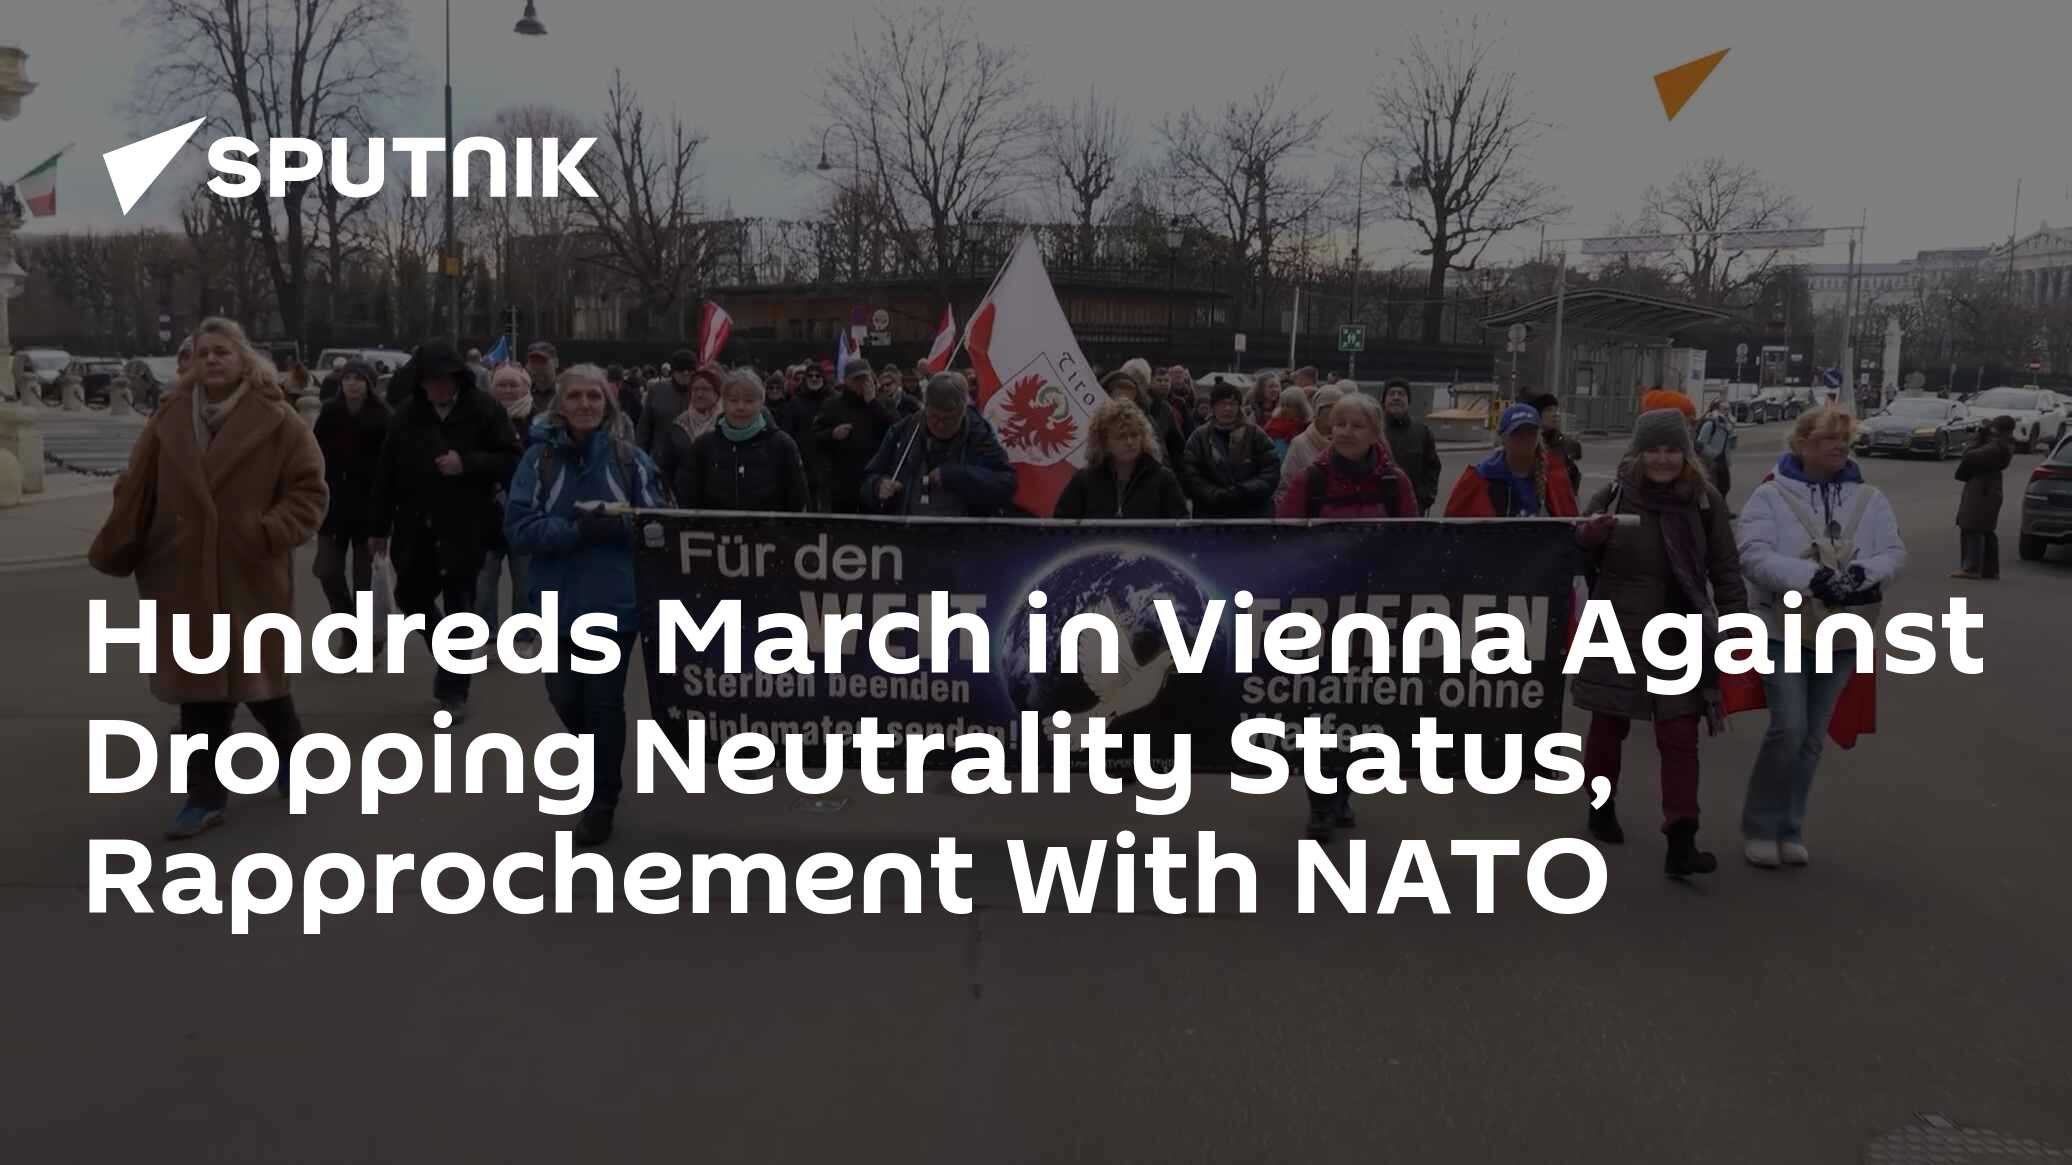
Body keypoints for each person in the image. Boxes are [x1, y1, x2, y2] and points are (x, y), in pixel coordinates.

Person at [88, 317, 328, 840]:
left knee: (264, 692)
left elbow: (310, 492)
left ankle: (292, 759)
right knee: (199, 698)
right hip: (181, 574)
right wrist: (139, 534)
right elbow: (137, 485)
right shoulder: (169, 417)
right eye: (203, 353)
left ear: (244, 359)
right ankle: (204, 798)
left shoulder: (279, 420)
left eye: (223, 351)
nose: (213, 360)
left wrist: (267, 531)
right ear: (192, 364)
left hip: (250, 574)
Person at [1571, 409, 1747, 877]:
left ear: (1686, 453)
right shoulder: (1613, 496)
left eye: (1672, 450)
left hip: (1679, 630)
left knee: (1679, 734)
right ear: (1638, 452)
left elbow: (1725, 567)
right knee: (1608, 726)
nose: (1663, 459)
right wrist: (1589, 537)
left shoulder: (1704, 500)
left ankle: (1681, 839)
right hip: (1615, 627)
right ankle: (1600, 806)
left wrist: (1734, 623)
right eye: (1653, 449)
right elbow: (1572, 549)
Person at [505, 364, 670, 846]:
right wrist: (576, 531)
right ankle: (600, 758)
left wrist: (622, 525)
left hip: (614, 602)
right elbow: (518, 528)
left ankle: (602, 801)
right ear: (560, 404)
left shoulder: (629, 459)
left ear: (607, 404)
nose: (584, 404)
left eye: (594, 397)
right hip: (555, 602)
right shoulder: (538, 460)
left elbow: (660, 522)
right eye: (575, 396)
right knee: (564, 697)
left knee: (603, 703)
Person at [1736, 405, 1905, 868]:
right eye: (1829, 439)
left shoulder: (1870, 498)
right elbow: (1752, 555)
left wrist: (1865, 574)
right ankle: (1760, 826)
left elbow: (1893, 551)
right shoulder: (1770, 496)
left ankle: (1790, 828)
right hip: (1781, 629)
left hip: (1844, 632)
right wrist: (1810, 578)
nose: (1839, 447)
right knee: (1788, 728)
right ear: (1802, 444)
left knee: (1812, 737)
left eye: (1844, 440)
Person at [369, 339, 521, 721]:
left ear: (458, 378)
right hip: (415, 526)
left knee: (459, 607)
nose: (438, 387)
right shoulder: (406, 414)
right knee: (410, 597)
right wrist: (378, 527)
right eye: (430, 380)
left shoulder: (484, 409)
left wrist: (466, 463)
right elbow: (385, 472)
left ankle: (454, 692)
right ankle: (450, 655)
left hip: (465, 525)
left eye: (445, 379)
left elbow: (510, 459)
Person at [863, 373, 1017, 516]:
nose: (940, 425)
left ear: (963, 412)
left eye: (949, 419)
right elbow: (868, 479)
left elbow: (1006, 483)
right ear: (925, 407)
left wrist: (958, 476)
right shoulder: (903, 431)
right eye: (934, 417)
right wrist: (877, 486)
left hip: (963, 533)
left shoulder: (978, 434)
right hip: (908, 531)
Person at [312, 359, 390, 619]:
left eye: (358, 379)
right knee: (327, 571)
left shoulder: (383, 416)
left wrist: (387, 514)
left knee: (363, 582)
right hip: (332, 507)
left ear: (369, 383)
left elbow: (392, 467)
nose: (352, 384)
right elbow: (313, 454)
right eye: (347, 378)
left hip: (368, 510)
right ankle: (346, 622)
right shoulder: (329, 412)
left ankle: (362, 635)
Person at [675, 370, 811, 511]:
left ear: (761, 402)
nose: (740, 407)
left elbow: (798, 502)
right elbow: (688, 499)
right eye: (733, 400)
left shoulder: (782, 445)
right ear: (723, 402)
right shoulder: (703, 446)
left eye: (749, 401)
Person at [477, 362, 541, 649]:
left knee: (525, 578)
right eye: (501, 384)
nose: (507, 390)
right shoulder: (480, 419)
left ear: (525, 387)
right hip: (487, 510)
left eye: (513, 384)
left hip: (526, 512)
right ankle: (487, 634)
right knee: (484, 579)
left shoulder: (539, 422)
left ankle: (524, 634)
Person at [1053, 398, 1190, 519]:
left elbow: (1182, 529)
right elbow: (1060, 528)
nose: (1130, 442)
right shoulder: (1083, 480)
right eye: (1121, 436)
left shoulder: (1164, 479)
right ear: (1104, 441)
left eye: (1135, 435)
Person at [1443, 403, 1579, 517]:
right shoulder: (1479, 478)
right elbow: (1453, 530)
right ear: (1503, 438)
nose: (1525, 438)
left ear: (1539, 436)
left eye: (1531, 432)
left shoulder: (1555, 476)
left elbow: (1572, 528)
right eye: (1517, 432)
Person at [1181, 381, 1281, 518]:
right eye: (1222, 404)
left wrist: (1244, 491)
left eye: (1232, 404)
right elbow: (1190, 474)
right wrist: (1214, 494)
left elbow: (1271, 471)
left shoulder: (1256, 434)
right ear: (1213, 407)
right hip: (1211, 514)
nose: (1227, 408)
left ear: (1239, 406)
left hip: (1253, 513)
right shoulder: (1199, 437)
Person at [817, 362, 901, 514]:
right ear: (846, 381)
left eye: (865, 378)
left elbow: (896, 430)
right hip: (842, 481)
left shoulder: (884, 402)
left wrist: (873, 403)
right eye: (857, 379)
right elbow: (815, 437)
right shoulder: (832, 405)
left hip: (874, 479)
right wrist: (832, 434)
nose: (862, 383)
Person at [1953, 415, 2015, 580]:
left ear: (1998, 429)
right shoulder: (2005, 443)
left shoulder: (1997, 446)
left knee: (1972, 526)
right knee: (1986, 529)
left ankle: (1972, 568)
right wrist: (1984, 436)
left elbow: (1968, 455)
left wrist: (1978, 438)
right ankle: (1989, 570)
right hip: (1989, 488)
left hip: (1982, 490)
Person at [654, 362, 723, 491]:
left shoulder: (727, 424)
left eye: (706, 389)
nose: (699, 394)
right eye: (695, 389)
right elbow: (667, 466)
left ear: (717, 393)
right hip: (684, 497)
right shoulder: (679, 425)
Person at [1275, 382, 1344, 505]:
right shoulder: (1300, 443)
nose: (1333, 413)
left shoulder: (1349, 443)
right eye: (1328, 407)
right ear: (1318, 411)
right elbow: (1286, 486)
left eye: (1339, 408)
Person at [1380, 379, 1442, 515]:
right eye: (1391, 394)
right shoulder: (1373, 430)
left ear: (1408, 401)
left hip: (1414, 508)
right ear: (1383, 401)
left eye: (1401, 394)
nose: (1396, 397)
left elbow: (1433, 467)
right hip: (1379, 509)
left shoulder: (1422, 432)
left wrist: (1426, 498)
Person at [782, 361, 835, 508]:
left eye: (818, 375)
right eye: (810, 376)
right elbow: (787, 431)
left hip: (828, 461)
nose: (814, 378)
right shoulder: (795, 402)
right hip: (803, 460)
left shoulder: (833, 400)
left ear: (823, 378)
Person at [634, 348, 699, 464]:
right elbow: (644, 427)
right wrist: (640, 458)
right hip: (660, 460)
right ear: (673, 371)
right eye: (681, 368)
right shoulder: (657, 390)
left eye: (690, 369)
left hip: (693, 461)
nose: (686, 372)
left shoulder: (701, 392)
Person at [1522, 391, 1583, 500]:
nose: (1555, 414)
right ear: (1537, 415)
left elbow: (1573, 478)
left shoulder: (1565, 444)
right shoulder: (1526, 444)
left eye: (1556, 410)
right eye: (1549, 410)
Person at [1694, 399, 1738, 499]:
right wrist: (1714, 456)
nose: (1727, 412)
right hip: (1712, 462)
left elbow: (1732, 446)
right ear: (1716, 410)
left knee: (1725, 487)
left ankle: (1721, 506)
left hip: (1723, 462)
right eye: (1724, 409)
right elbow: (1700, 444)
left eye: (1729, 409)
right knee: (1713, 489)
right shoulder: (1710, 424)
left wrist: (1732, 433)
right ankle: (1715, 507)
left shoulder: (1727, 425)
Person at [1263, 389, 1311, 459]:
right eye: (1282, 405)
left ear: (1299, 408)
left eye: (1288, 406)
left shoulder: (1306, 427)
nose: (1284, 409)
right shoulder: (1274, 427)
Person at [523, 341, 559, 415]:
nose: (537, 367)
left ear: (556, 362)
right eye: (533, 362)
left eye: (542, 361)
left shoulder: (566, 392)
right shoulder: (522, 394)